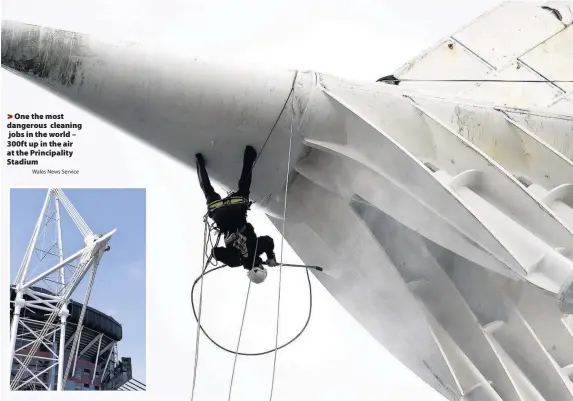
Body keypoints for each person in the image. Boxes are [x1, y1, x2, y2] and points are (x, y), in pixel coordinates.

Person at [196, 145, 277, 284]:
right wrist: (231, 257)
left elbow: (269, 240)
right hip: (218, 212)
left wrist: (270, 257)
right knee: (208, 191)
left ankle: (249, 154)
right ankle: (199, 162)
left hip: (236, 208)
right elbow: (215, 252)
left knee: (244, 186)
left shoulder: (257, 249)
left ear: (260, 267)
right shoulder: (234, 262)